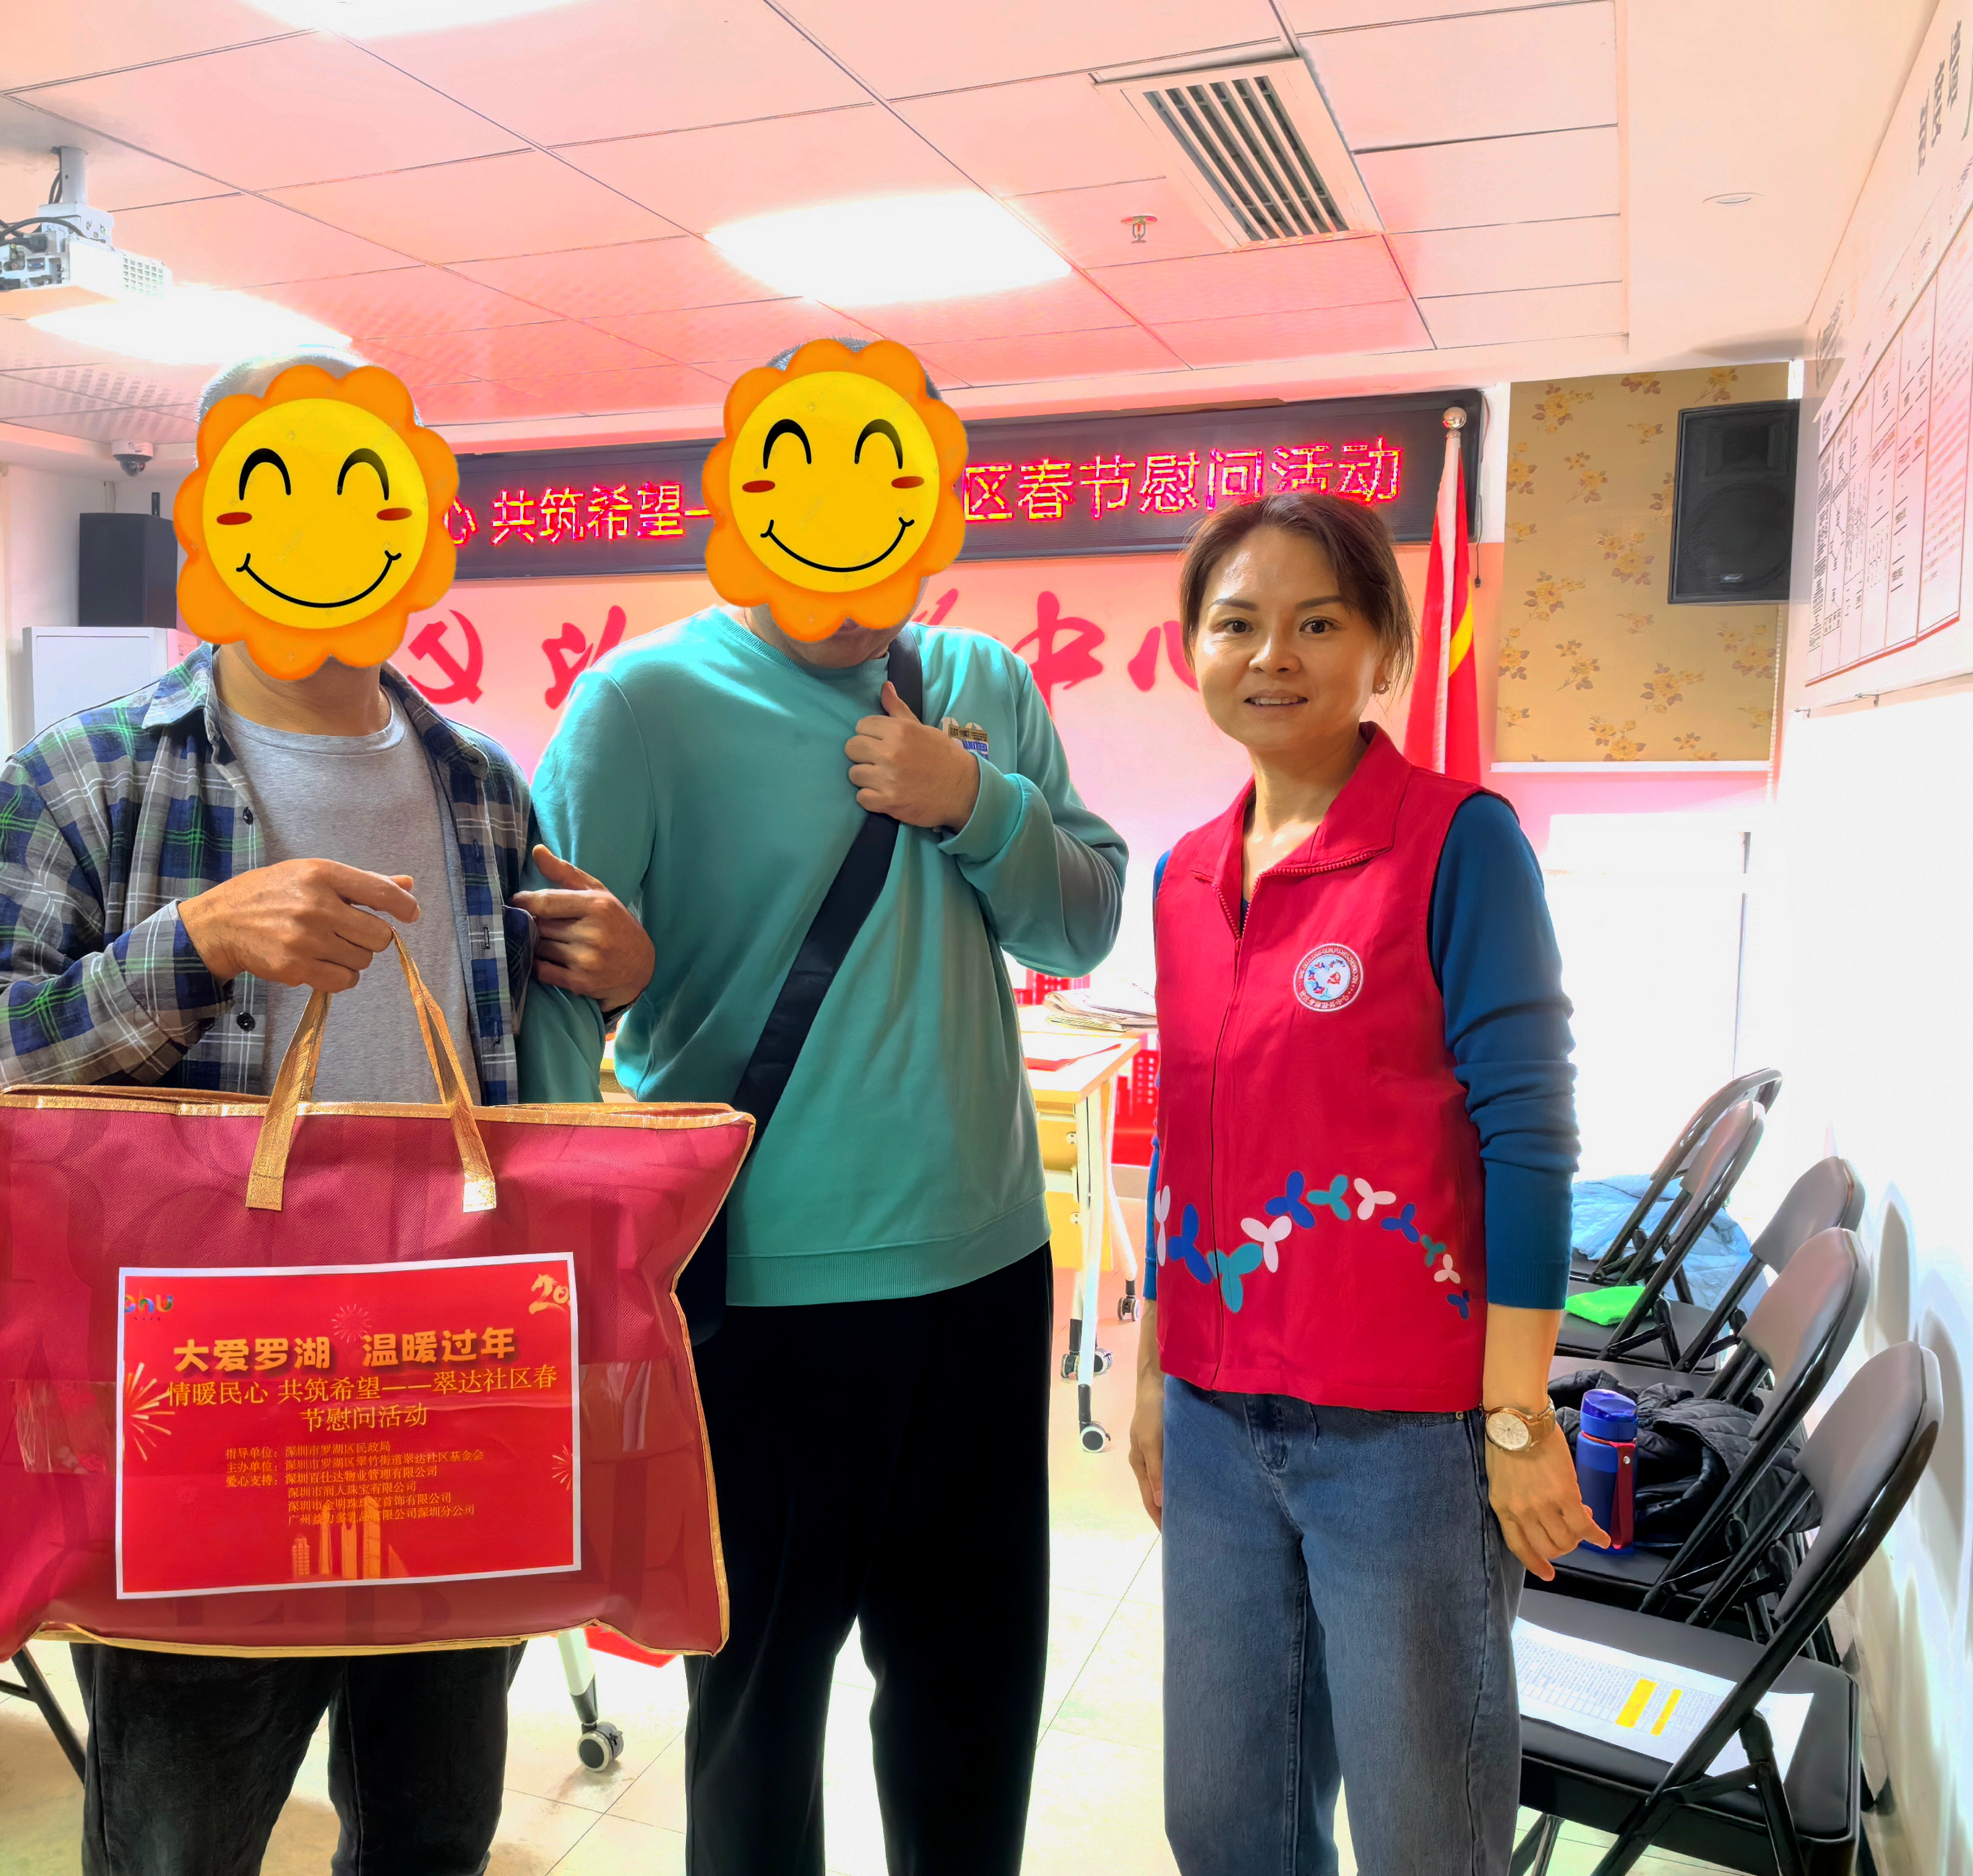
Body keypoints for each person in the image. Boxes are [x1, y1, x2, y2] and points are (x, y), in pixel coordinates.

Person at [0, 351, 655, 1876]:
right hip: (203, 1416)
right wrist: (185, 949)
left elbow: (508, 1086)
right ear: (213, 524)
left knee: (431, 1840)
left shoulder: (477, 786)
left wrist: (620, 979)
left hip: (448, 1398)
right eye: (281, 491)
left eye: (365, 495)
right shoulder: (84, 779)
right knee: (178, 1850)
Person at [517, 338, 1127, 1876]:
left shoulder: (981, 686)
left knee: (971, 1699)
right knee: (757, 1714)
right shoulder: (639, 704)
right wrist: (569, 1282)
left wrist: (972, 800)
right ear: (747, 500)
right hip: (758, 1292)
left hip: (985, 1267)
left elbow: (1080, 924)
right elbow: (548, 1000)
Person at [1125, 490, 1591, 1874]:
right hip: (1215, 1422)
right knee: (1226, 1823)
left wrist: (1516, 1416)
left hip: (1407, 1439)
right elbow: (1184, 1143)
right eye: (1236, 624)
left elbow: (1530, 1137)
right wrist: (1151, 1372)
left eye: (1317, 623)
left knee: (1424, 1840)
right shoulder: (1183, 874)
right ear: (1194, 650)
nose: (1272, 655)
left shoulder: (1458, 843)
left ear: (1384, 648)